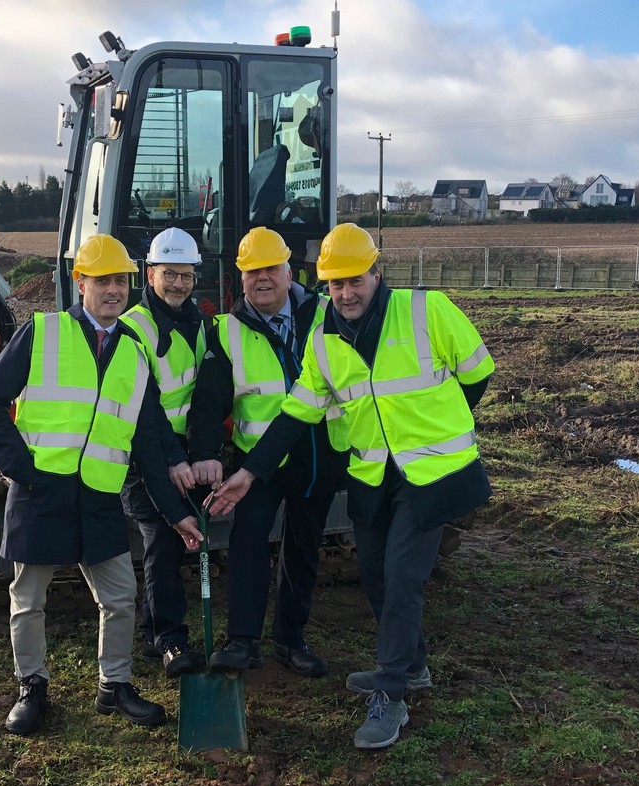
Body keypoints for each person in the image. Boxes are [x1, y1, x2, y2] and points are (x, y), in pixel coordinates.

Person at [210, 222, 495, 749]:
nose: (346, 293)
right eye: (336, 284)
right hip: (370, 473)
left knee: (403, 576)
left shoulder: (426, 310)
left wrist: (439, 428)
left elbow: (477, 372)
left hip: (432, 475)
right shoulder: (326, 338)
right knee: (375, 575)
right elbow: (296, 413)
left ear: (375, 273)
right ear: (323, 285)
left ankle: (390, 693)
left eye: (355, 280)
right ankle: (413, 667)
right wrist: (247, 473)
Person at [0, 232, 203, 737]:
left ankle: (113, 686)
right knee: (29, 598)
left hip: (100, 495)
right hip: (40, 492)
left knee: (120, 597)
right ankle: (31, 686)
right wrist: (21, 469)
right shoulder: (42, 332)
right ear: (80, 283)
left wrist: (176, 513)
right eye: (102, 281)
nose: (114, 290)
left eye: (120, 281)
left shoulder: (135, 352)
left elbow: (148, 442)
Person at [188, 226, 347, 677]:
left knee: (303, 550)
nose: (262, 279)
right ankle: (243, 640)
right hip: (258, 465)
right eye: (251, 271)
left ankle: (291, 640)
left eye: (270, 269)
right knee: (247, 543)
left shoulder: (327, 314)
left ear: (289, 269)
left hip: (320, 459)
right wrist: (206, 452)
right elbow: (207, 401)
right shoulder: (227, 330)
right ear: (240, 277)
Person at [119, 227, 207, 678]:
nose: (178, 283)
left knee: (172, 544)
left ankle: (155, 627)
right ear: (149, 274)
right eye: (169, 274)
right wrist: (174, 459)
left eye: (186, 275)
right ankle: (168, 637)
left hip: (182, 450)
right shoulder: (135, 329)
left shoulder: (197, 321)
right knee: (161, 538)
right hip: (145, 454)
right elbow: (146, 413)